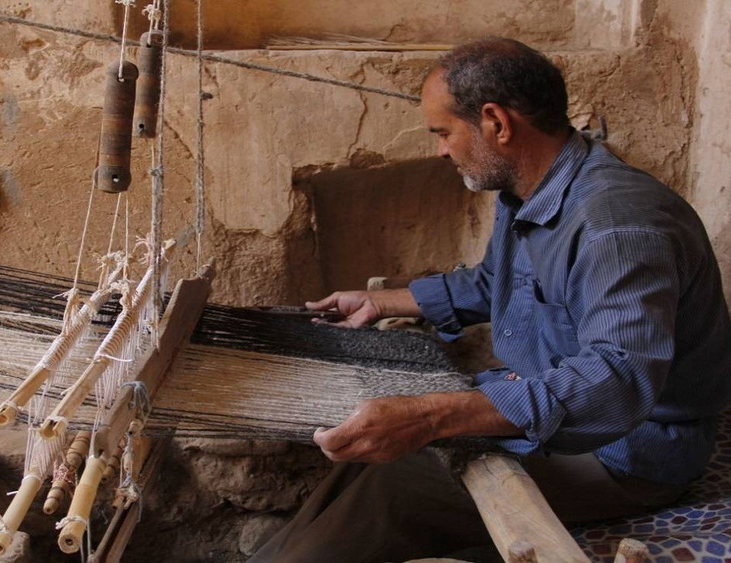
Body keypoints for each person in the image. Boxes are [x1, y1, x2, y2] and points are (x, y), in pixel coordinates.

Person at [249, 37, 731, 563]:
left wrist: (432, 417)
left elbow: (616, 383)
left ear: (496, 123)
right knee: (361, 467)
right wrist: (384, 302)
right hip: (570, 420)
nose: (439, 149)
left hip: (627, 451)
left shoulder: (615, 227)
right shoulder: (529, 192)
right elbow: (496, 282)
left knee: (396, 490)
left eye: (443, 132)